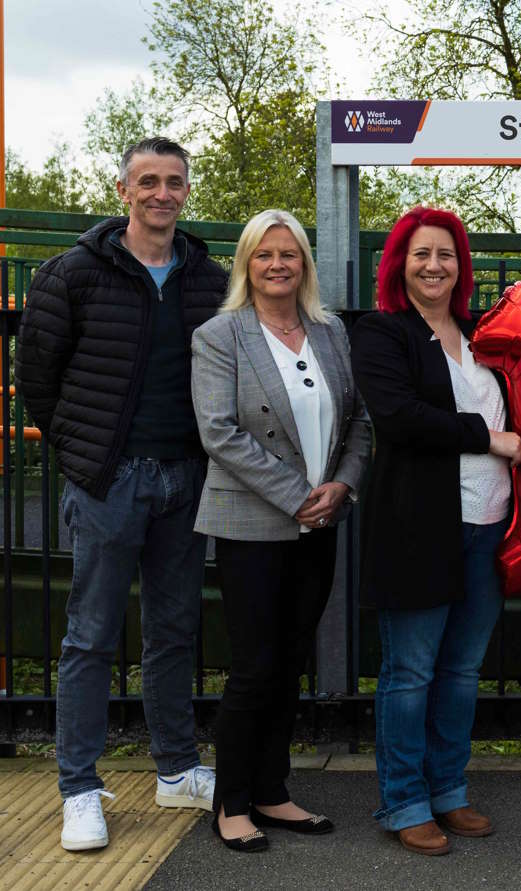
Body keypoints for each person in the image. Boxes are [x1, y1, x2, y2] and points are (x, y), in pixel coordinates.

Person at [16, 137, 227, 851]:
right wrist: (85, 455)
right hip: (110, 482)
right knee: (90, 636)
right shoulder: (73, 272)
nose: (161, 193)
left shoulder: (208, 279)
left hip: (185, 479)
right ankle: (79, 786)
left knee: (174, 633)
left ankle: (175, 768)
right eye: (148, 181)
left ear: (187, 191)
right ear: (123, 190)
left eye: (174, 182)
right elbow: (38, 377)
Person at [190, 210, 371, 852]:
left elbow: (359, 423)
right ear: (246, 264)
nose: (277, 265)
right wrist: (299, 497)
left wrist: (341, 486)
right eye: (264, 255)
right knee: (254, 666)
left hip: (321, 521)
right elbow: (219, 432)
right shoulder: (220, 335)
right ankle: (231, 801)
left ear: (304, 265)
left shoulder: (329, 333)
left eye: (289, 254)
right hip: (253, 523)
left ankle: (273, 791)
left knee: (290, 662)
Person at [351, 207, 521, 856]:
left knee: (461, 671)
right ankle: (404, 799)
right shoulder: (383, 332)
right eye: (420, 254)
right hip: (420, 526)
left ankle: (449, 789)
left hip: (491, 522)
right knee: (411, 671)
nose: (434, 265)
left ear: (462, 266)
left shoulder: (486, 331)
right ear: (399, 263)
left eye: (446, 255)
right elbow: (399, 417)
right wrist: (491, 437)